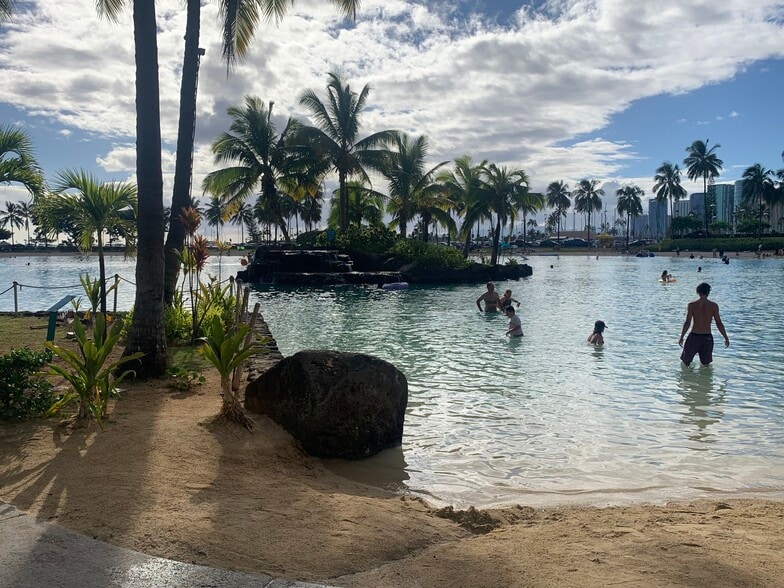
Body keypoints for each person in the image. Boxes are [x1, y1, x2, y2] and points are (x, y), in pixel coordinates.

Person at [679, 282, 730, 366]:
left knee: (686, 362)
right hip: (707, 337)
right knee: (706, 364)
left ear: (698, 292)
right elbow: (719, 323)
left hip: (694, 336)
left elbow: (687, 322)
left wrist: (682, 337)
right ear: (708, 292)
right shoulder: (713, 306)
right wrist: (726, 337)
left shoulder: (692, 305)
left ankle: (688, 374)